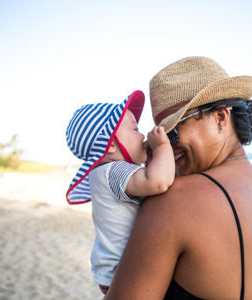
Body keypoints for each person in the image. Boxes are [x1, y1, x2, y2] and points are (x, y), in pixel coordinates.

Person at [106, 57, 252, 300]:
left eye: (173, 131)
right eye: (162, 135)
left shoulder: (174, 202)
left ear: (221, 118)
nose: (167, 146)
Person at [65, 90, 175, 295]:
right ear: (111, 145)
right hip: (123, 270)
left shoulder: (103, 173)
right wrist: (162, 147)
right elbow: (159, 182)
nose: (142, 135)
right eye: (135, 129)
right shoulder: (115, 170)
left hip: (110, 271)